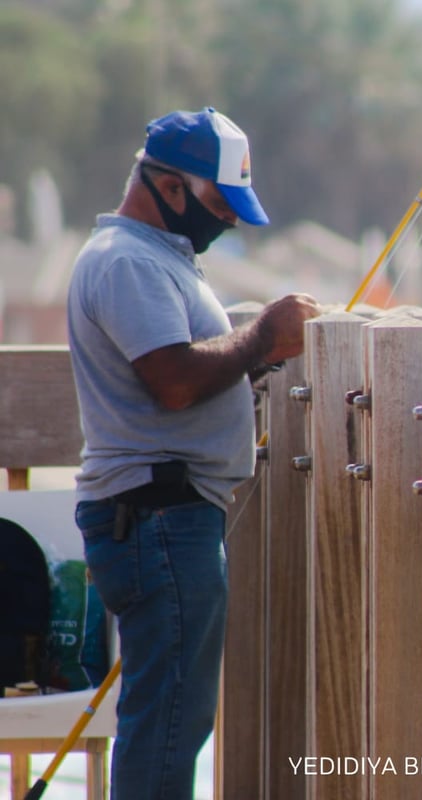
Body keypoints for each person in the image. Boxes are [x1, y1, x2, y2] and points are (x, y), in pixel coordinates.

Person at [66, 107, 320, 798]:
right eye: (219, 202)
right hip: (160, 522)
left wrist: (248, 361)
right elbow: (173, 380)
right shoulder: (127, 263)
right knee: (169, 727)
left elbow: (182, 368)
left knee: (170, 720)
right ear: (169, 187)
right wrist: (261, 338)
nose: (230, 221)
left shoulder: (157, 260)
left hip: (164, 521)